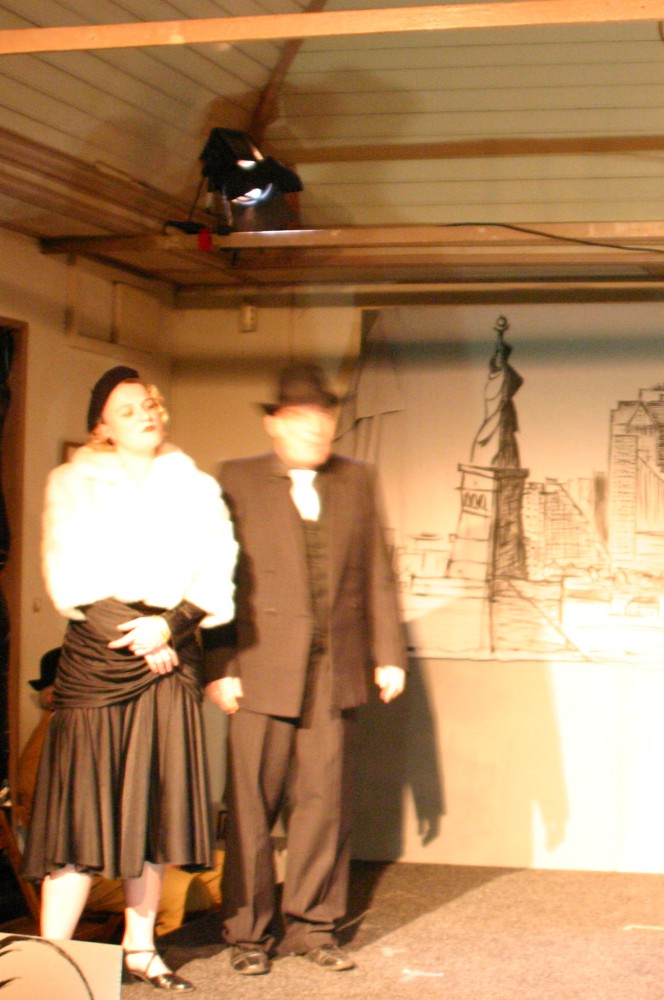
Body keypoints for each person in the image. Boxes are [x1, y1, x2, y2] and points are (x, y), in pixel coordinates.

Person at [24, 366, 238, 992]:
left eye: (148, 403)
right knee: (80, 812)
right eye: (127, 409)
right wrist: (140, 637)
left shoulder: (195, 485)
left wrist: (168, 628)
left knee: (153, 807)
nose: (144, 414)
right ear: (102, 426)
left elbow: (217, 568)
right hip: (100, 656)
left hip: (170, 654)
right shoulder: (72, 482)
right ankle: (52, 962)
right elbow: (69, 572)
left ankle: (141, 948)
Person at [207, 363, 407, 976]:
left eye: (323, 417)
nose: (315, 428)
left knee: (324, 803)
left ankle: (313, 927)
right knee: (250, 806)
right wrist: (219, 665)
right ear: (274, 424)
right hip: (259, 664)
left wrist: (388, 654)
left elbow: (376, 572)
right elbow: (215, 579)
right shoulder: (236, 479)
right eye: (300, 418)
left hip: (332, 668)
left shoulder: (356, 479)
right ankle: (248, 932)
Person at [13, 648, 225, 938]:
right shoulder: (64, 736)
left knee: (222, 870)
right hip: (91, 861)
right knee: (183, 889)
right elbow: (57, 824)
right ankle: (158, 945)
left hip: (126, 848)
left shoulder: (123, 726)